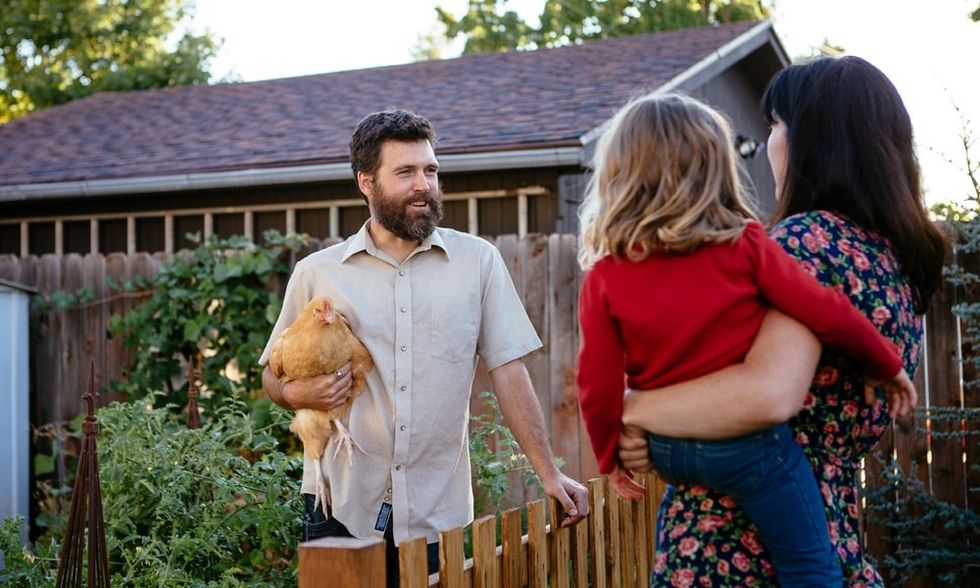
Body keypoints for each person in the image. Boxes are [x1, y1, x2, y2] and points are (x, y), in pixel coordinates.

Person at [618, 56, 948, 587]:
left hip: (742, 554)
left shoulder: (803, 246)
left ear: (813, 141)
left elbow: (768, 394)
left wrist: (637, 410)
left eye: (775, 126)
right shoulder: (893, 263)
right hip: (827, 534)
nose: (769, 142)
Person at [259, 109, 588, 586]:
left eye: (431, 171)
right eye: (406, 172)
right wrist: (296, 396)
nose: (424, 185)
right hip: (341, 507)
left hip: (437, 515)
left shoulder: (478, 262)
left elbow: (509, 371)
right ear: (366, 182)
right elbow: (274, 373)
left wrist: (549, 473)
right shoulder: (318, 273)